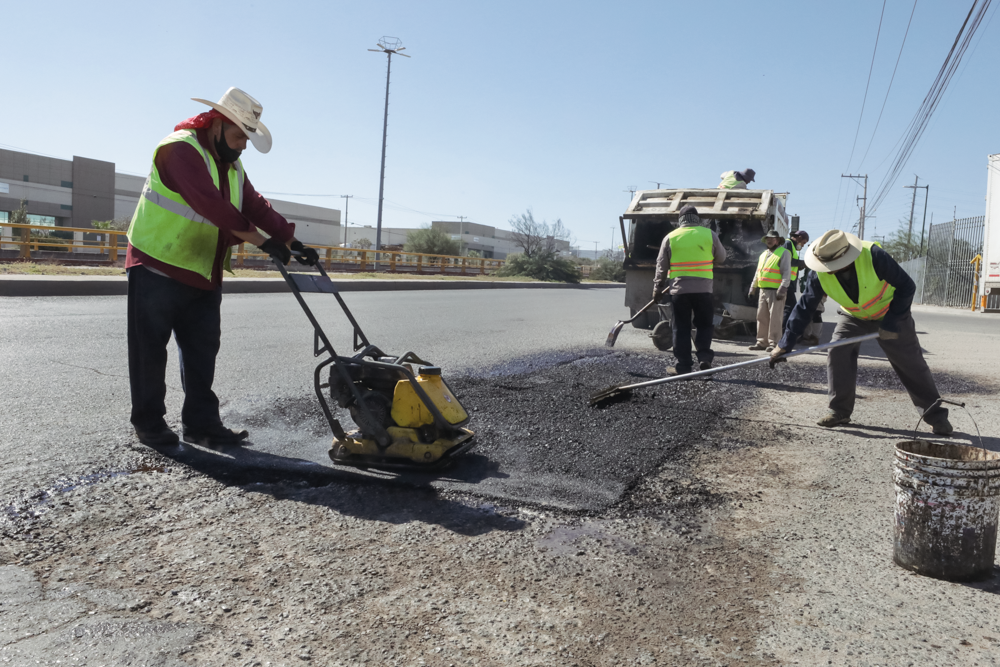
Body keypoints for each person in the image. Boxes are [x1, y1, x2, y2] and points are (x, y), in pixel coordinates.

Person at [125, 87, 320, 447]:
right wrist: (262, 242)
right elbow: (209, 204)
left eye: (246, 138)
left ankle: (202, 423)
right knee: (149, 349)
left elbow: (254, 205)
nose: (242, 145)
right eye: (238, 136)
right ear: (217, 123)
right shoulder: (180, 149)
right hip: (158, 263)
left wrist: (292, 241)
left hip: (202, 267)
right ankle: (149, 423)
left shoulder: (231, 162)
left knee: (202, 350)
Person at [770, 230, 953, 434]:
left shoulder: (873, 255)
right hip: (853, 316)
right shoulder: (818, 270)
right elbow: (805, 307)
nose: (829, 270)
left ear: (847, 257)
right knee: (838, 352)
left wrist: (891, 324)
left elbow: (907, 286)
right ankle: (839, 411)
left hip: (890, 313)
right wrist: (785, 344)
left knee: (911, 363)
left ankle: (935, 415)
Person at [651, 205, 727, 375]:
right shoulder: (709, 234)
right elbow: (721, 258)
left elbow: (661, 266)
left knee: (681, 328)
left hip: (680, 291)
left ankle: (684, 367)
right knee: (704, 325)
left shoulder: (671, 237)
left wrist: (657, 288)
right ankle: (704, 358)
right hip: (704, 290)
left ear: (680, 219)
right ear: (697, 218)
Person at [747, 230, 790, 352]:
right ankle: (761, 342)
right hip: (763, 290)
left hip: (776, 291)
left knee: (775, 318)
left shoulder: (784, 253)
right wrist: (753, 287)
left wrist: (783, 288)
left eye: (772, 238)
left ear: (778, 240)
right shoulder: (763, 254)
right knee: (761, 317)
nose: (769, 240)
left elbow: (786, 272)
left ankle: (774, 343)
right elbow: (758, 272)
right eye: (767, 238)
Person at [781, 230, 809, 330]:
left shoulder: (791, 245)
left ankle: (783, 330)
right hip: (786, 282)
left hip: (790, 282)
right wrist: (804, 263)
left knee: (789, 307)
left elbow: (792, 264)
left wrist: (799, 266)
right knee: (790, 308)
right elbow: (788, 261)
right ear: (799, 238)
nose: (803, 245)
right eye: (804, 242)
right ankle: (783, 331)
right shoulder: (788, 243)